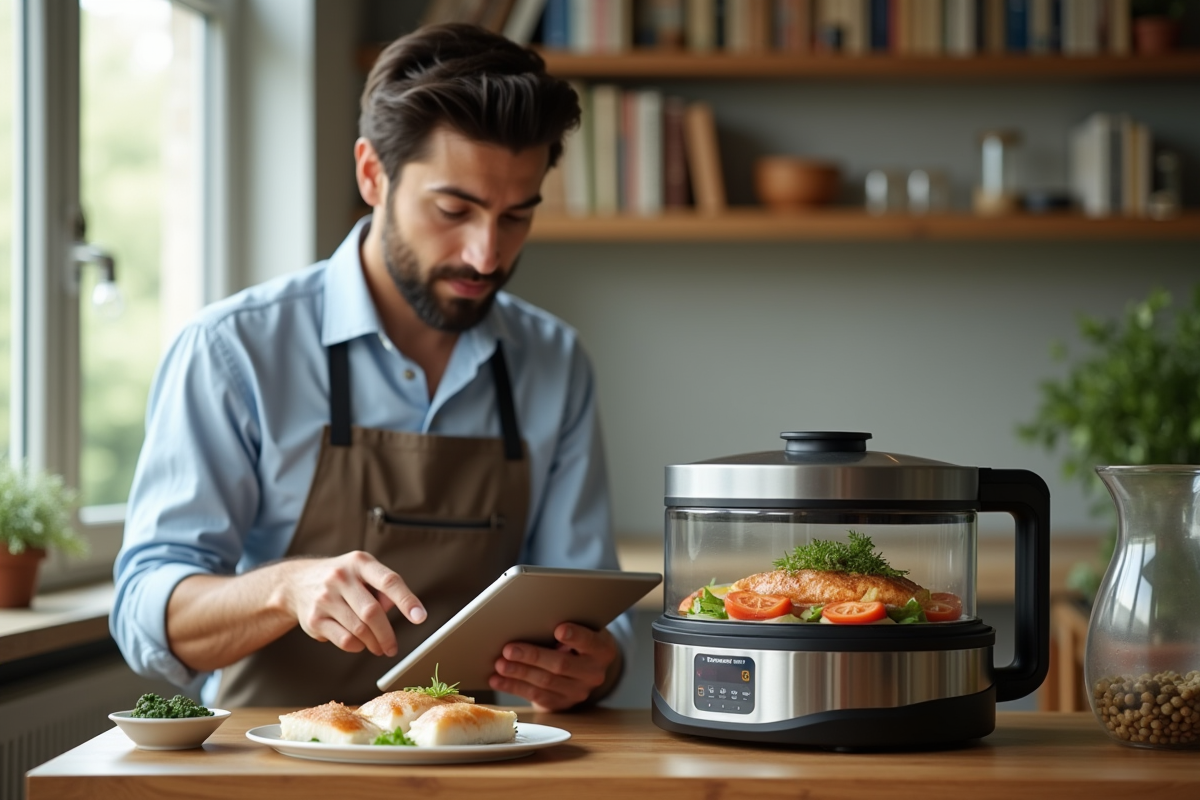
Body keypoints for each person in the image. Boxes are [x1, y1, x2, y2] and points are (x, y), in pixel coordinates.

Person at [110, 23, 630, 711]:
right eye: (454, 209)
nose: (486, 255)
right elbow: (146, 609)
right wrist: (281, 589)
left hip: (472, 766)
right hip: (269, 768)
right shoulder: (232, 350)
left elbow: (591, 600)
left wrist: (598, 663)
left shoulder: (554, 362)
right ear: (370, 174)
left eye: (516, 217)